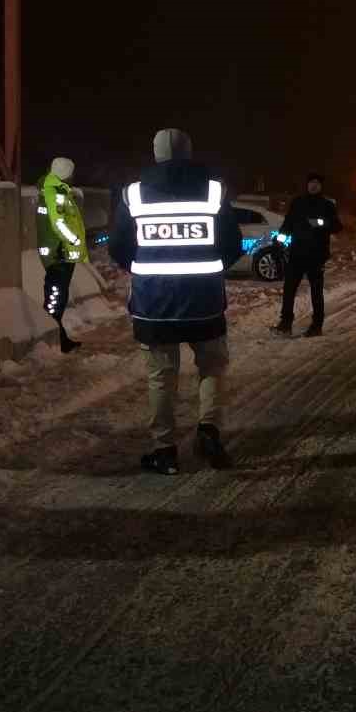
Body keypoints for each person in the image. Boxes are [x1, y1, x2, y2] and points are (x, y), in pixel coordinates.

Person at [108, 129, 241, 475]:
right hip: (205, 301)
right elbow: (232, 243)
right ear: (189, 152)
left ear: (156, 155)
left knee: (161, 377)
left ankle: (164, 450)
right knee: (212, 366)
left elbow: (119, 248)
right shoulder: (214, 191)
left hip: (154, 304)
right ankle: (209, 430)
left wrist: (144, 271)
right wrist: (209, 271)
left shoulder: (133, 194)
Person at [273, 172, 342, 337]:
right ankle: (285, 324)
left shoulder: (327, 205)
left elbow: (337, 226)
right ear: (307, 184)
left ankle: (317, 326)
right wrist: (279, 240)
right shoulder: (298, 203)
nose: (313, 185)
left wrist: (320, 223)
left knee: (316, 292)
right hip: (296, 253)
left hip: (317, 256)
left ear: (321, 186)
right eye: (311, 182)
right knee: (289, 289)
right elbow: (288, 224)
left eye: (317, 183)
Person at [35, 157, 88, 353]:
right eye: (71, 173)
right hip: (58, 253)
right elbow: (58, 223)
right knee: (55, 299)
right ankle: (50, 343)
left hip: (60, 252)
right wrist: (73, 239)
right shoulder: (54, 193)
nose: (74, 177)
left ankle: (59, 338)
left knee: (58, 297)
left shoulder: (58, 191)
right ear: (66, 174)